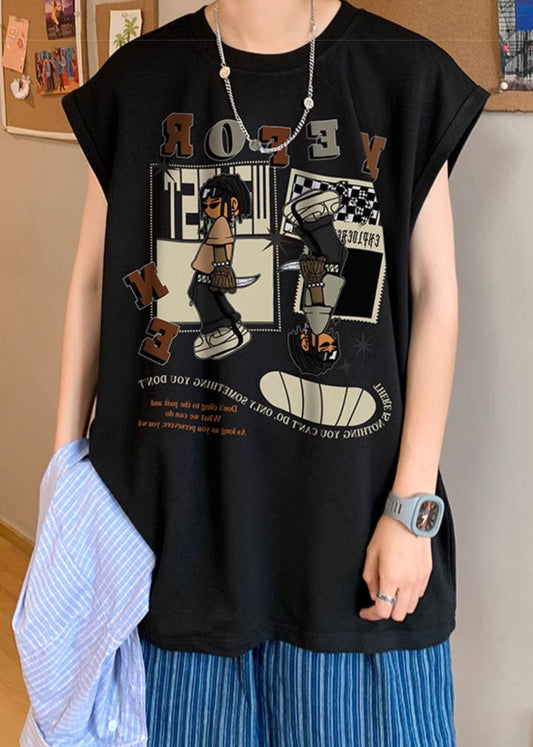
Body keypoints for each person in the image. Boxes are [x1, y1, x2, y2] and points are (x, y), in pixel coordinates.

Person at [55, 0, 490, 743]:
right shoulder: (137, 81)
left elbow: (435, 295)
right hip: (173, 538)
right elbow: (91, 283)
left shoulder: (403, 76)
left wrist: (412, 506)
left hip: (351, 535)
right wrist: (64, 478)